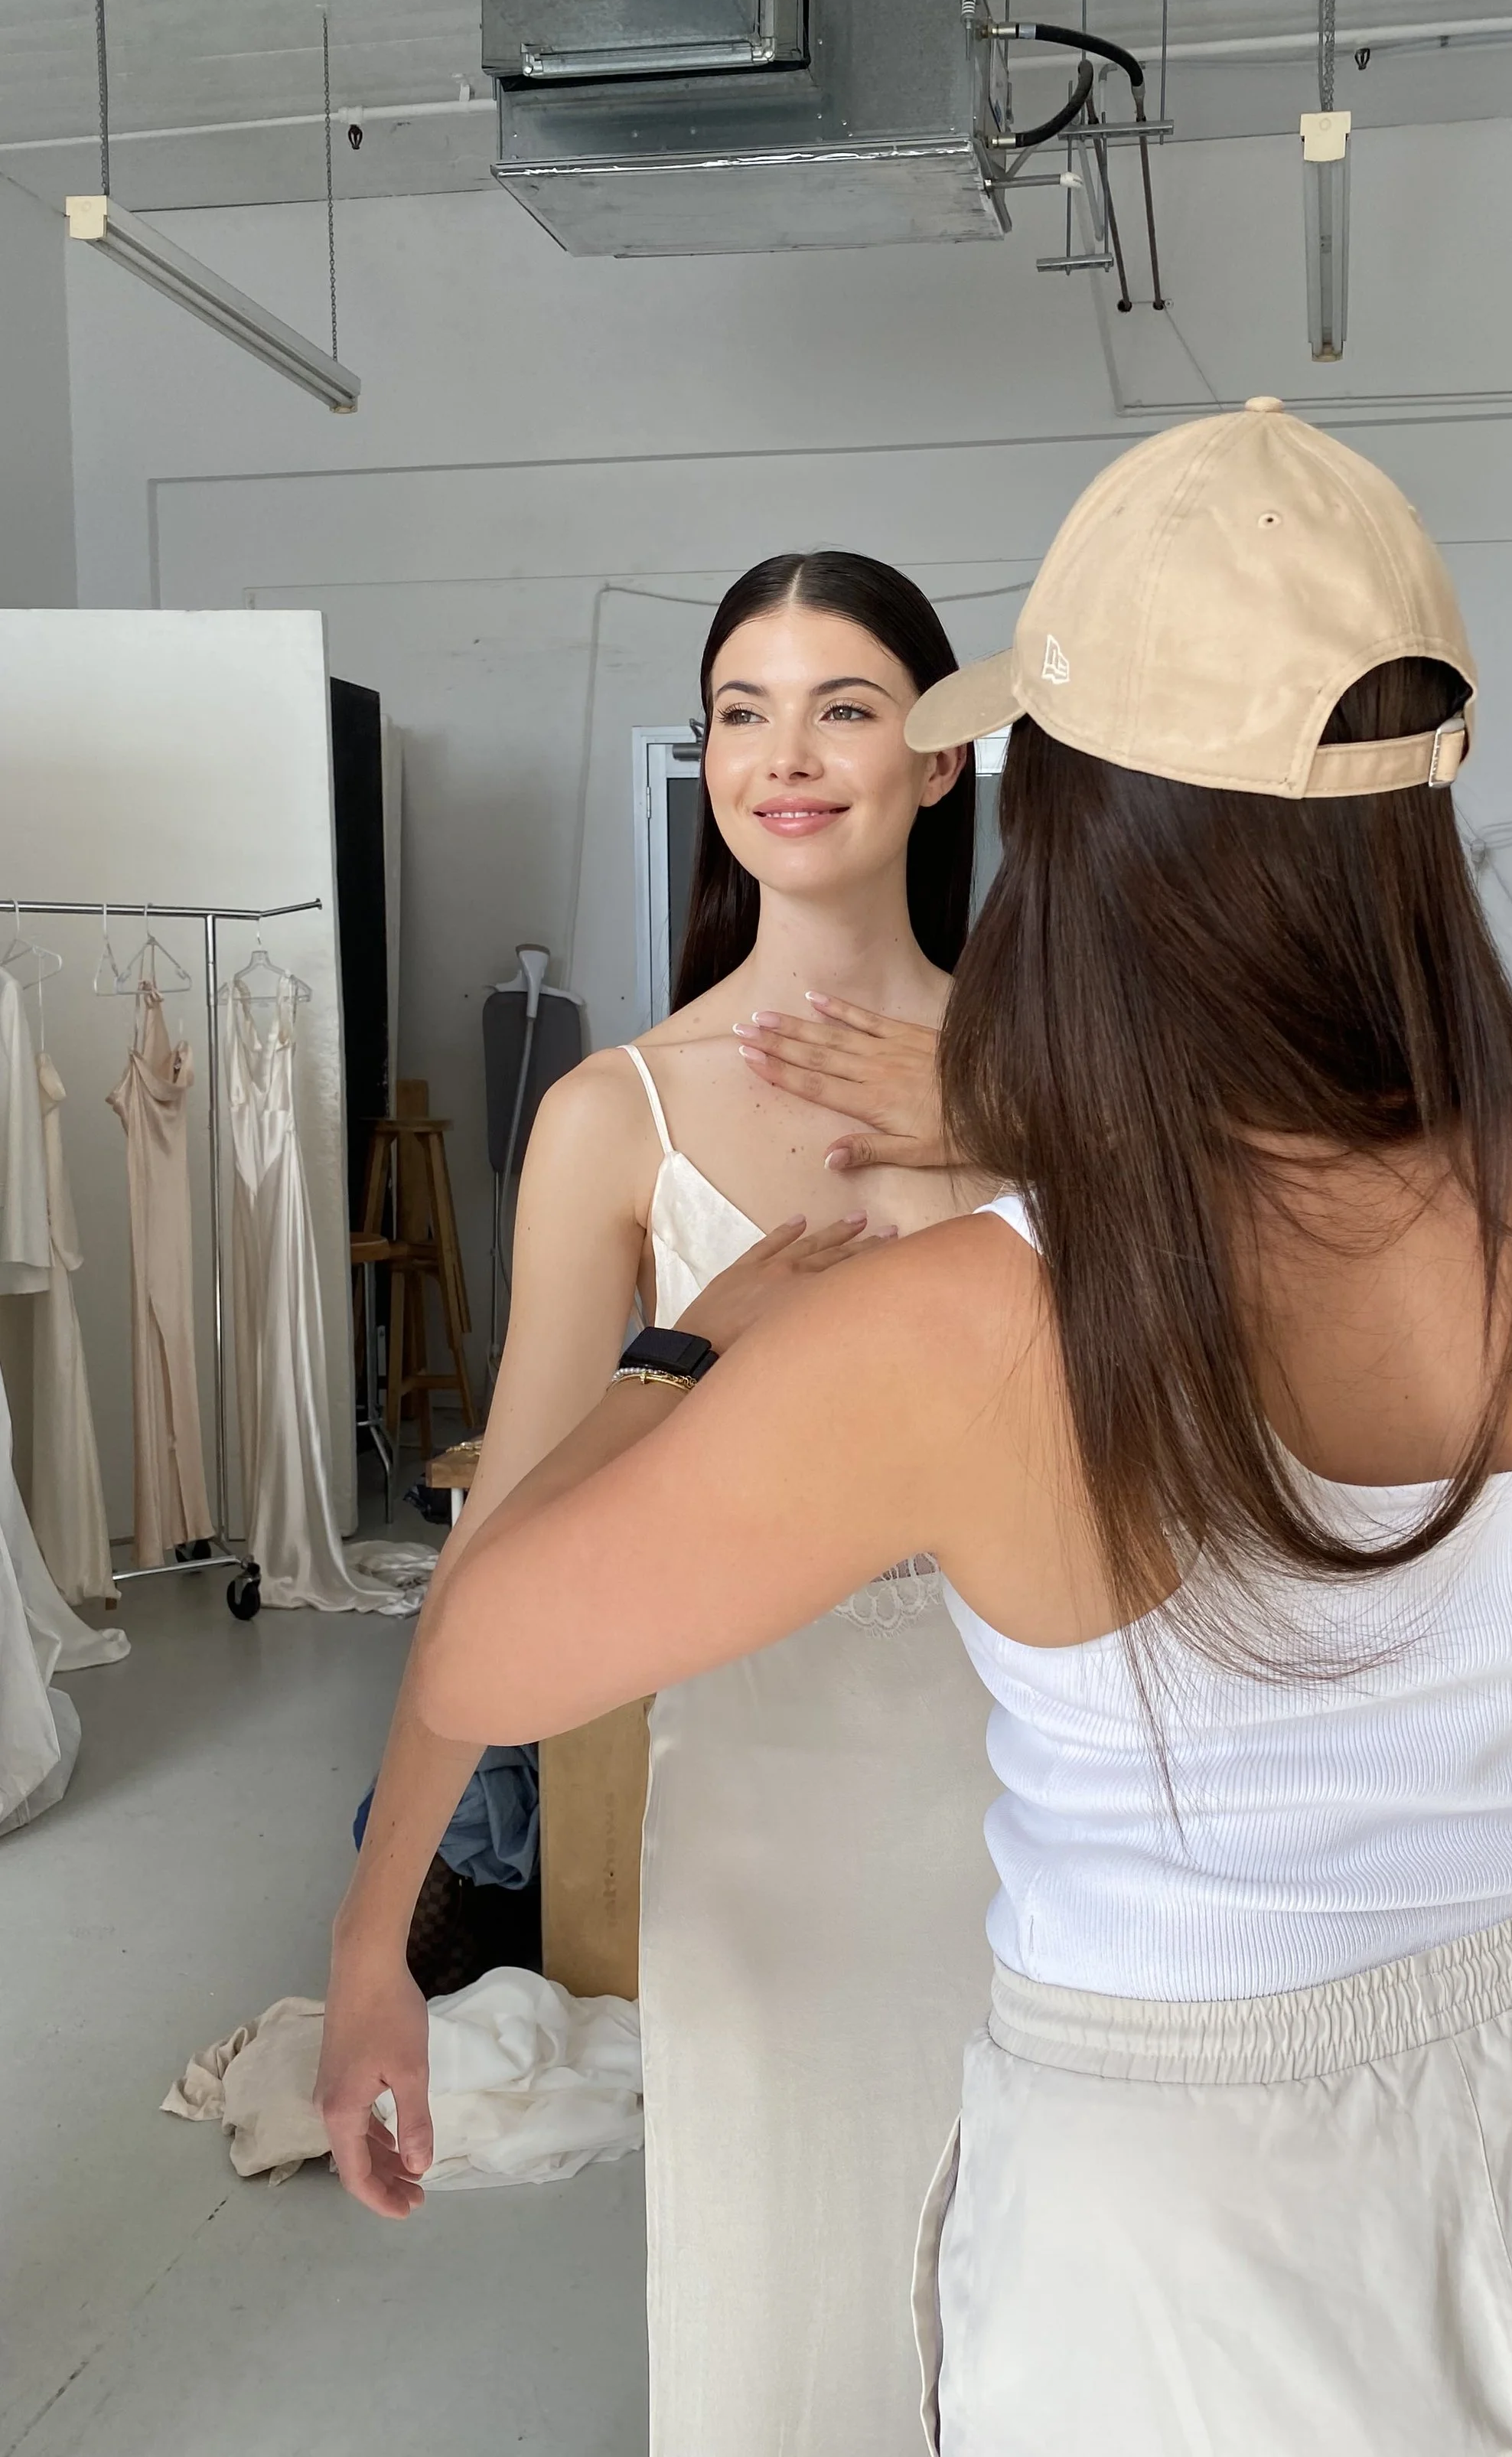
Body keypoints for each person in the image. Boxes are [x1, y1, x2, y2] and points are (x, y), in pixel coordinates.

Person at [411, 403, 1512, 2457]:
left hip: (1186, 2209)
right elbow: (1302, 1171)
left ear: (1075, 817)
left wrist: (695, 1352)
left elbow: (482, 1646)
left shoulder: (981, 1323)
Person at [318, 551, 1002, 2455]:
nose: (787, 756)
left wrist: (984, 1135)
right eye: (741, 711)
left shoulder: (1061, 1078)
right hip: (765, 1842)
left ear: (938, 759)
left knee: (1043, 2340)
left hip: (1056, 1827)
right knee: (787, 2350)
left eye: (845, 706)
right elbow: (501, 1553)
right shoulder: (617, 1112)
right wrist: (374, 1942)